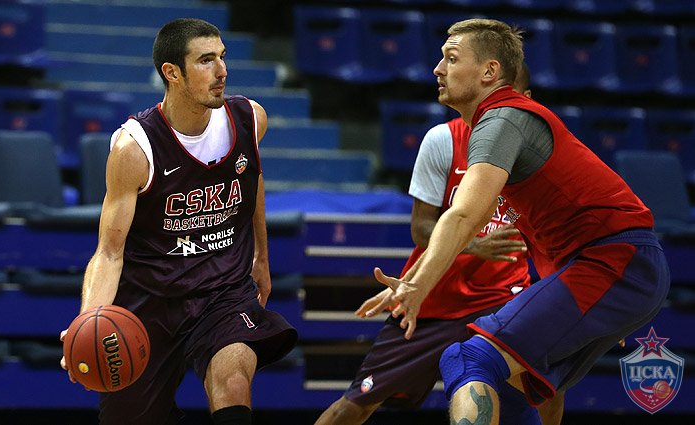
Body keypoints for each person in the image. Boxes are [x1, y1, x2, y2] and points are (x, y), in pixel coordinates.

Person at [374, 18, 670, 425]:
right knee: (517, 391)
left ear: (489, 72)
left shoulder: (502, 120)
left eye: (450, 58)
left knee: (468, 357)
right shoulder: (498, 126)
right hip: (619, 269)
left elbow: (462, 215)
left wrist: (416, 285)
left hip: (614, 262)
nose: (437, 69)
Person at [59, 18, 297, 425]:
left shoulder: (250, 118)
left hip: (223, 291)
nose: (222, 71)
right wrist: (89, 319)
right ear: (172, 73)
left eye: (223, 57)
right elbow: (110, 251)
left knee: (234, 380)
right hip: (151, 301)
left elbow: (251, 179)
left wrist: (261, 257)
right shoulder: (134, 148)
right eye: (206, 60)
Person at [316, 64, 564, 425]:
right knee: (357, 403)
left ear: (525, 102)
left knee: (549, 388)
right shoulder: (443, 140)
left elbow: (554, 235)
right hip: (434, 299)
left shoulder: (536, 153)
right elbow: (420, 229)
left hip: (503, 299)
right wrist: (473, 245)